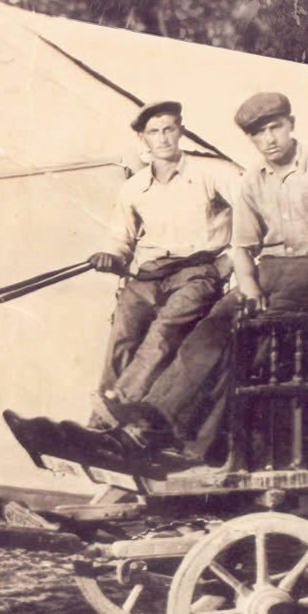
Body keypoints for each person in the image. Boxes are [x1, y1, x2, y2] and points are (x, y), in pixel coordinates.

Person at [114, 91, 308, 464]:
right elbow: (242, 247)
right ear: (250, 138)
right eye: (259, 133)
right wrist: (249, 284)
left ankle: (179, 439)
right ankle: (154, 423)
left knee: (248, 344)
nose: (269, 139)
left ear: (291, 125)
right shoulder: (253, 181)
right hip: (265, 271)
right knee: (207, 332)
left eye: (275, 127)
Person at [85, 101, 243, 429]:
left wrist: (231, 259)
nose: (163, 138)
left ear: (180, 130)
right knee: (123, 331)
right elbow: (120, 237)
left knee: (164, 331)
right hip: (149, 275)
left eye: (169, 129)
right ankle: (103, 423)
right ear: (143, 138)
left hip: (197, 272)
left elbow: (253, 214)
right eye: (154, 132)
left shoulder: (214, 173)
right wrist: (111, 256)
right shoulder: (134, 188)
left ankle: (114, 409)